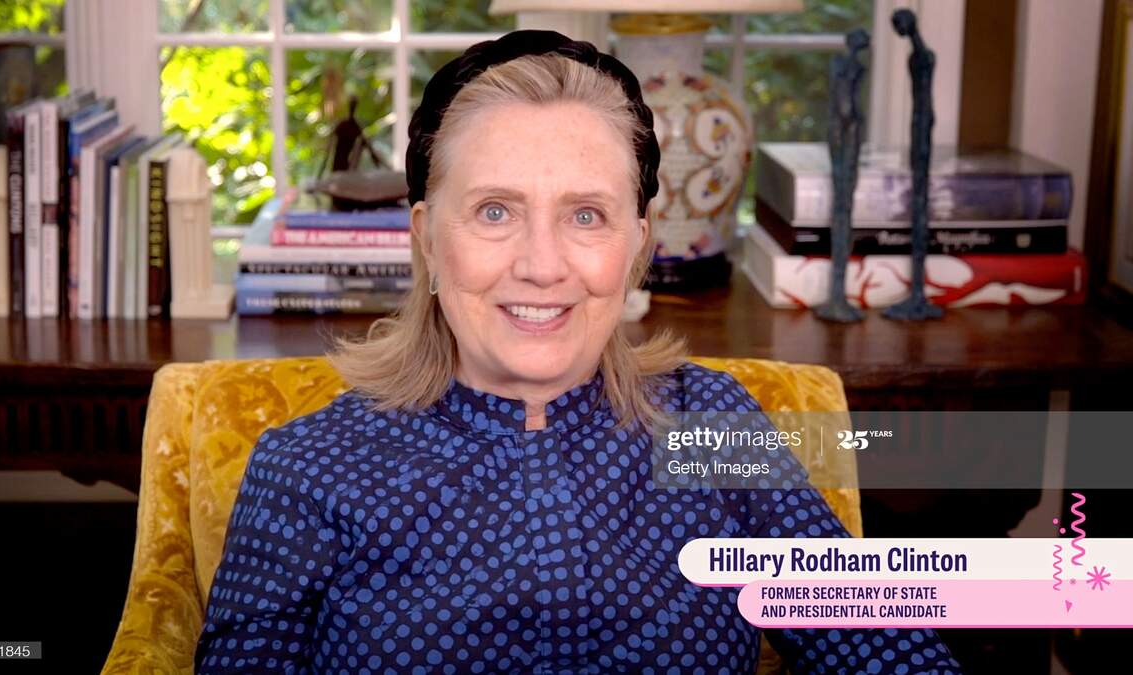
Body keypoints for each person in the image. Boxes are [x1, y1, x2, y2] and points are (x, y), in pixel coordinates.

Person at [194, 30, 962, 674]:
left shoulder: (715, 426)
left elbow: (885, 646)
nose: (543, 264)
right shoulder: (305, 469)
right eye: (495, 211)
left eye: (586, 215)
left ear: (636, 246)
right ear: (427, 237)